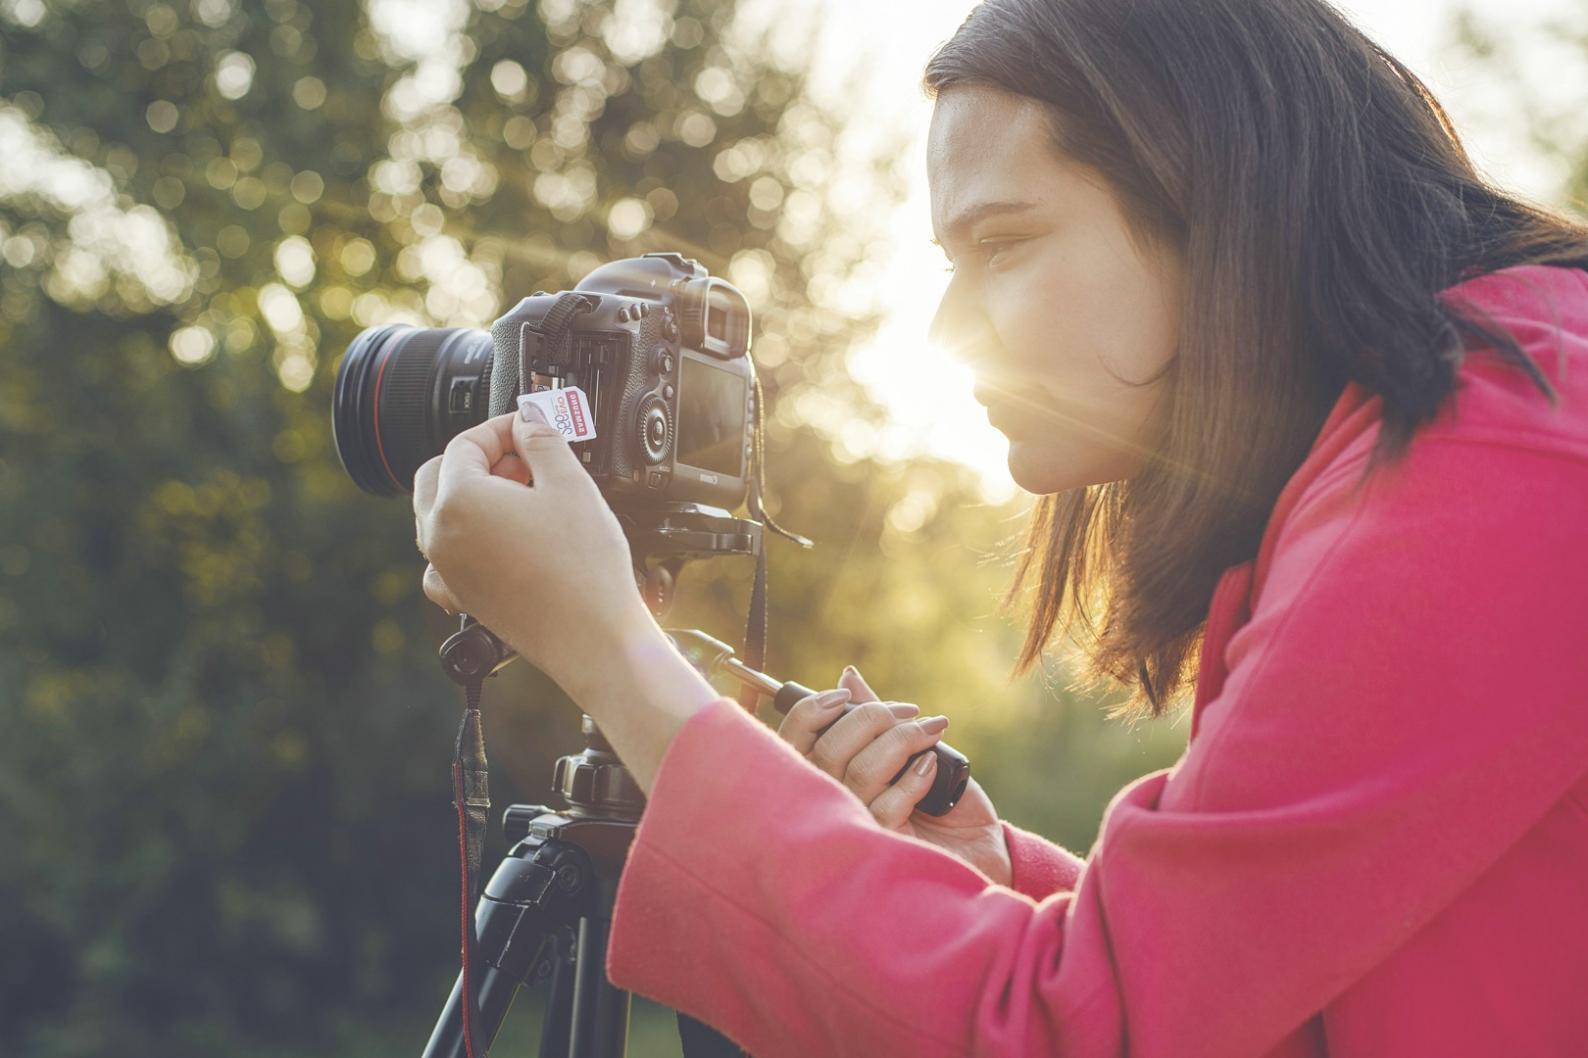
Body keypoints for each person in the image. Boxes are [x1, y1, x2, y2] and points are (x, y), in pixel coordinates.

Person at [411, 0, 1588, 1054]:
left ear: (1217, 204)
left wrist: (613, 650)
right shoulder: (1471, 434)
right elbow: (1290, 1002)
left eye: (1004, 241)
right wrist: (999, 889)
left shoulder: (1491, 457)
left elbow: (1076, 1032)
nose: (943, 328)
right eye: (947, 256)